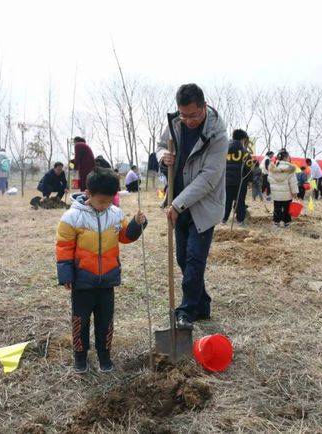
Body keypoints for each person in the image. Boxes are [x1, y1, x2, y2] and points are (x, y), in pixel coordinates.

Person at [55, 168, 147, 374]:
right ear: (88, 194)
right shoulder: (71, 217)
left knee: (106, 321)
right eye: (101, 202)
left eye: (109, 201)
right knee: (81, 320)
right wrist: (66, 275)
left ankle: (104, 355)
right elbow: (64, 247)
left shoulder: (115, 214)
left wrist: (137, 224)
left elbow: (126, 236)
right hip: (82, 281)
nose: (105, 206)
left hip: (107, 280)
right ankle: (80, 357)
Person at [156, 83, 228, 330]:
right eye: (184, 115)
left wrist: (177, 204)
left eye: (193, 115)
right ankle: (202, 304)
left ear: (204, 107)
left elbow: (209, 178)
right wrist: (162, 155)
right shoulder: (176, 123)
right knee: (183, 259)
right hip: (179, 202)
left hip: (202, 206)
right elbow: (160, 146)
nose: (188, 121)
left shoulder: (217, 134)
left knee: (195, 260)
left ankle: (186, 311)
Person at [223, 129, 253, 225]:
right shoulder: (245, 152)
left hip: (226, 180)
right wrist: (250, 180)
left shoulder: (224, 149)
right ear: (243, 139)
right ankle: (240, 220)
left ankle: (224, 219)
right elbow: (249, 167)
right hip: (240, 181)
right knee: (240, 201)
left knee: (227, 200)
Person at [269, 149, 298, 228]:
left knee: (277, 209)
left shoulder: (273, 168)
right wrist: (295, 193)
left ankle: (276, 223)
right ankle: (286, 223)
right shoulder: (290, 168)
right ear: (286, 157)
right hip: (287, 194)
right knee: (287, 209)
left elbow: (269, 179)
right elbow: (293, 182)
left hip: (276, 194)